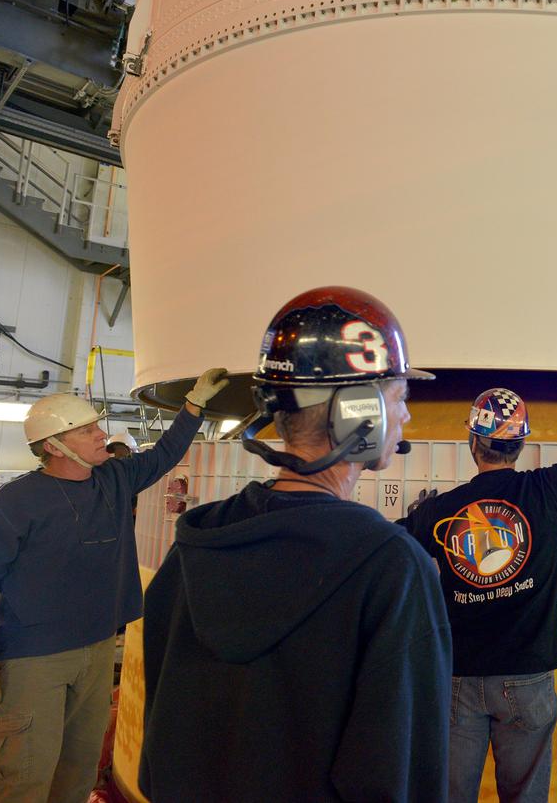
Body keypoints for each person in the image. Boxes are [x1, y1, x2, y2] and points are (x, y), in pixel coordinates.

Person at [138, 286, 451, 803]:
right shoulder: (391, 569)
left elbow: (161, 755)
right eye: (400, 399)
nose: (407, 419)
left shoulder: (195, 546)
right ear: (360, 414)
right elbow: (400, 778)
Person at [403, 356, 557, 803]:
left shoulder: (440, 512)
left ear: (472, 441)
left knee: (448, 794)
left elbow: (394, 550)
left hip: (458, 679)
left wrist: (418, 520)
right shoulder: (549, 492)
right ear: (519, 445)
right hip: (528, 679)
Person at [0, 369, 227, 803]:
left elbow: (164, 454)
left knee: (78, 768)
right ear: (54, 446)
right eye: (87, 429)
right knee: (23, 775)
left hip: (97, 646)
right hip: (35, 659)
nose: (101, 434)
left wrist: (193, 406)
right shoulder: (12, 504)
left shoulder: (114, 479)